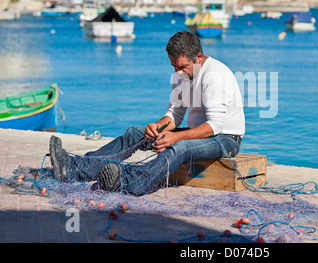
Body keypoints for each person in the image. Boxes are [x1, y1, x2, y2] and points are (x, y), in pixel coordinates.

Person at [49, 31, 245, 196]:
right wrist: (158, 127)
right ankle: (74, 169)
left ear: (199, 58)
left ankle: (127, 183)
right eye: (174, 67)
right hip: (200, 133)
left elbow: (216, 125)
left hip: (226, 138)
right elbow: (175, 114)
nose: (177, 72)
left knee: (179, 147)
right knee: (136, 133)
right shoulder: (182, 75)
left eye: (182, 66)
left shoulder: (215, 76)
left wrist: (175, 137)